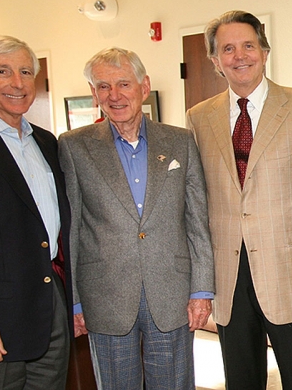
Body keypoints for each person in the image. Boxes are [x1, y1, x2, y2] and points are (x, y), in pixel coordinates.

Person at [186, 10, 292, 390]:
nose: (239, 55)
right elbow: (197, 205)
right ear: (216, 61)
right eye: (227, 49)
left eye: (248, 45)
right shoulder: (199, 118)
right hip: (229, 277)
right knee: (242, 382)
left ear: (264, 51)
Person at [58, 47, 214, 390]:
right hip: (105, 297)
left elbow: (196, 220)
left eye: (123, 84)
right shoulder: (73, 146)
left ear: (143, 87)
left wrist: (201, 290)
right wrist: (75, 300)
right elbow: (72, 229)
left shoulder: (180, 142)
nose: (114, 95)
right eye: (103, 86)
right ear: (93, 93)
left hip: (171, 292)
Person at [0, 35, 72, 389]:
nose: (18, 83)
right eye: (2, 71)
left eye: (25, 71)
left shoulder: (46, 142)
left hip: (49, 316)